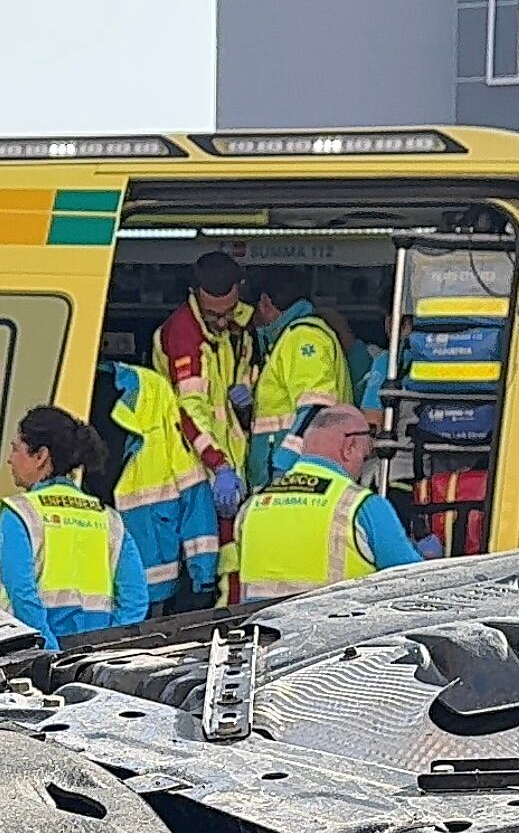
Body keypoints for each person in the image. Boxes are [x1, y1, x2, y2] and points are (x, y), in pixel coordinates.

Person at [229, 403, 424, 604]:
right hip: (340, 623)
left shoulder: (252, 506)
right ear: (349, 447)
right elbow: (415, 584)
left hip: (264, 624)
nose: (362, 465)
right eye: (364, 455)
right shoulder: (363, 506)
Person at [0, 405, 149, 643]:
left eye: (16, 449)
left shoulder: (20, 512)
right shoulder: (108, 518)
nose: (10, 459)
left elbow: (21, 593)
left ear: (41, 456)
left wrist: (49, 648)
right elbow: (135, 599)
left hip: (34, 653)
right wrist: (108, 644)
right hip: (95, 653)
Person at [99, 357, 219, 615]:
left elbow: (193, 492)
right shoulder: (64, 388)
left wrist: (203, 576)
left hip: (154, 588)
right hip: (94, 588)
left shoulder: (152, 392)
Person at [148, 249, 256, 512]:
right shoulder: (184, 335)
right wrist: (218, 464)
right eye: (213, 315)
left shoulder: (241, 324)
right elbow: (188, 407)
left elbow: (250, 364)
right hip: (197, 464)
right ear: (193, 294)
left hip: (229, 462)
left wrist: (248, 388)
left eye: (228, 311)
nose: (222, 322)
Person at [243, 276, 356, 493]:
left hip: (296, 479)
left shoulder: (302, 337)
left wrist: (286, 461)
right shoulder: (291, 337)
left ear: (265, 302)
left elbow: (317, 406)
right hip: (297, 477)